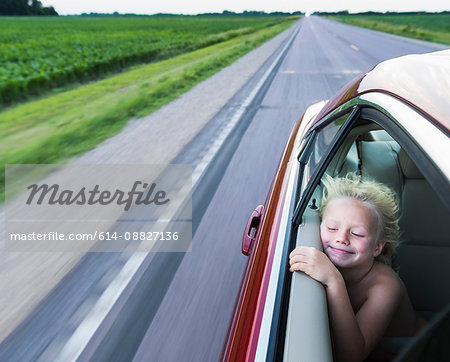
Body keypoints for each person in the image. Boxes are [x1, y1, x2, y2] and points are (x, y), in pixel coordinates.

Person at [289, 173, 424, 362]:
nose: (341, 239)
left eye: (357, 234)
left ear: (377, 247)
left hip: (419, 349)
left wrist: (333, 280)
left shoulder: (386, 285)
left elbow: (352, 356)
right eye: (332, 228)